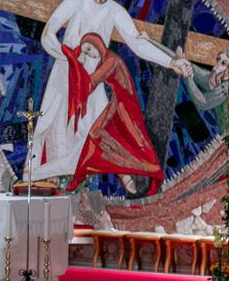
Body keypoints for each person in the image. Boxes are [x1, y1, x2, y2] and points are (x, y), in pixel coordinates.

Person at [27, 0, 188, 183]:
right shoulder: (77, 0)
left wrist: (171, 62)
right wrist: (68, 58)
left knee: (99, 126)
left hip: (93, 80)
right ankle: (36, 176)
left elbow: (137, 43)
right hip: (65, 73)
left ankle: (119, 175)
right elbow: (48, 35)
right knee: (49, 124)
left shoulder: (115, 12)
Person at [64, 32, 164, 195]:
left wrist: (75, 64)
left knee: (134, 141)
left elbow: (91, 82)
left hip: (124, 106)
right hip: (119, 101)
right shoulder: (106, 59)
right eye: (85, 51)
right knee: (100, 136)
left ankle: (152, 174)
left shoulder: (110, 61)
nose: (88, 54)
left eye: (89, 49)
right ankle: (118, 176)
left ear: (98, 45)